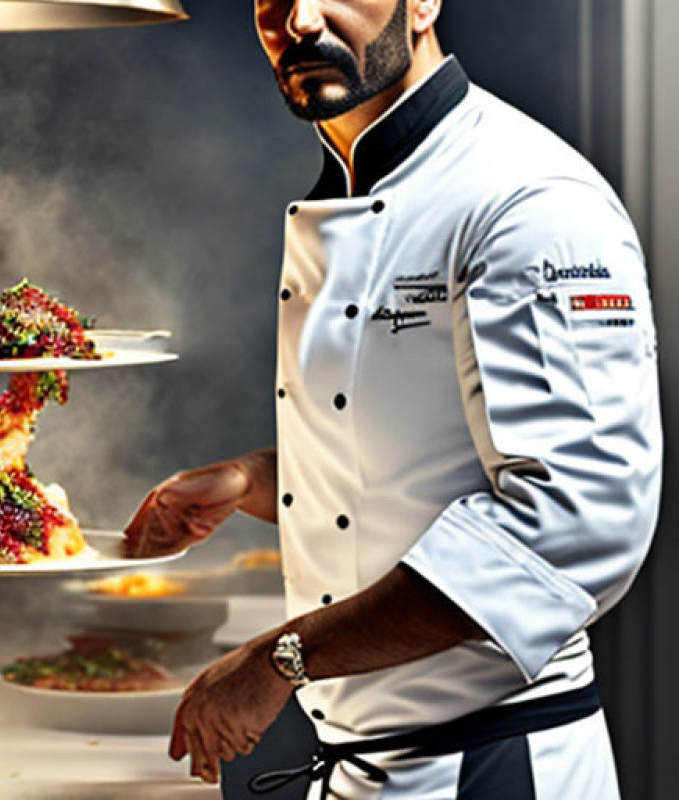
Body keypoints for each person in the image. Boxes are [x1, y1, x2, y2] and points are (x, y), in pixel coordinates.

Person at [123, 0, 663, 798]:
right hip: (372, 767)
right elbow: (419, 454)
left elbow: (572, 525)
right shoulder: (354, 184)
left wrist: (283, 659)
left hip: (494, 766)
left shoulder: (528, 200)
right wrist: (254, 479)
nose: (299, 19)